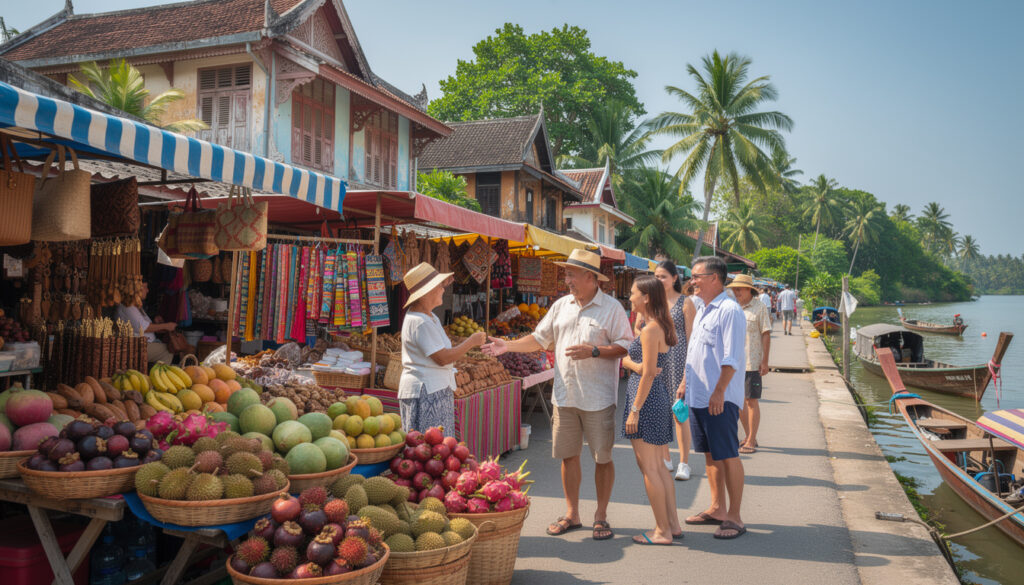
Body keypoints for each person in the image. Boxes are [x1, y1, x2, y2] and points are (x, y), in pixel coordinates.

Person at [483, 249, 631, 541]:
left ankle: (600, 515)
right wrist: (508, 345)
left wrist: (596, 351)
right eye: (567, 274)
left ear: (591, 278)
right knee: (567, 456)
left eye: (572, 274)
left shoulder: (612, 308)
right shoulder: (561, 306)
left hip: (598, 397)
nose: (567, 280)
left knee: (603, 458)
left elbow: (626, 346)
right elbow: (540, 339)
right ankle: (572, 514)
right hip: (564, 396)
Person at [682, 255, 748, 539]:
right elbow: (695, 351)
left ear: (714, 278)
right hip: (698, 395)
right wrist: (685, 382)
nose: (692, 281)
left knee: (728, 454)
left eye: (696, 276)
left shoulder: (729, 310)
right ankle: (717, 507)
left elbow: (730, 357)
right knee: (709, 455)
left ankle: (734, 517)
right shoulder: (703, 309)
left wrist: (719, 391)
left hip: (718, 396)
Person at [620, 275, 682, 544]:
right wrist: (631, 364)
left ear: (646, 297)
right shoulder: (658, 326)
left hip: (645, 401)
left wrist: (635, 409)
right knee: (658, 467)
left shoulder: (650, 330)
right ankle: (672, 525)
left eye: (633, 293)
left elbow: (647, 374)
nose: (630, 297)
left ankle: (662, 531)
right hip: (656, 399)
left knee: (651, 469)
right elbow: (646, 368)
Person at [398, 262, 485, 434]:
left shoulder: (430, 317)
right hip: (425, 391)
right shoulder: (419, 322)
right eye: (439, 286)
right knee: (428, 447)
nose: (443, 290)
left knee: (439, 447)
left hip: (434, 389)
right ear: (426, 293)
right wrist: (471, 341)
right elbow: (442, 358)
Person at [639, 261, 696, 480]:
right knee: (660, 412)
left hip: (679, 363)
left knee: (679, 413)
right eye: (656, 276)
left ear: (674, 278)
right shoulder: (651, 303)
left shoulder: (685, 302)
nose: (659, 280)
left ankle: (684, 462)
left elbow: (692, 340)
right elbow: (639, 326)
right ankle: (666, 458)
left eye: (663, 276)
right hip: (657, 363)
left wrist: (686, 376)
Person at [725, 275, 771, 455]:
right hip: (733, 362)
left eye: (740, 289)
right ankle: (749, 435)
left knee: (751, 401)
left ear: (749, 290)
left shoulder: (759, 308)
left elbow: (766, 334)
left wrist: (765, 361)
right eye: (735, 289)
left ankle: (751, 439)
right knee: (738, 403)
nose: (737, 292)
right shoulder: (731, 308)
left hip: (752, 362)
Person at [115, 282, 175, 364]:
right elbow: (144, 328)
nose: (147, 290)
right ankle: (159, 375)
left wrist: (158, 324)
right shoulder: (127, 306)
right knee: (168, 351)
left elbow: (146, 326)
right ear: (137, 289)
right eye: (145, 287)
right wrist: (167, 326)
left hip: (147, 343)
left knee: (171, 347)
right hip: (135, 346)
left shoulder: (136, 306)